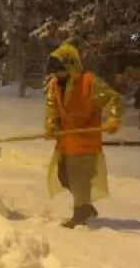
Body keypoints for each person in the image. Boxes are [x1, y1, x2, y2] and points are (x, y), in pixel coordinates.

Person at [43, 42, 122, 228]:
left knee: (78, 177)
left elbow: (113, 99)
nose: (57, 75)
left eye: (60, 71)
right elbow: (52, 108)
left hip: (85, 140)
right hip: (66, 141)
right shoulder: (55, 86)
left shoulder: (89, 82)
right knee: (63, 176)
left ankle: (80, 213)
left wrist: (113, 119)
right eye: (54, 72)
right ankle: (85, 205)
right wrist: (51, 125)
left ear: (70, 65)